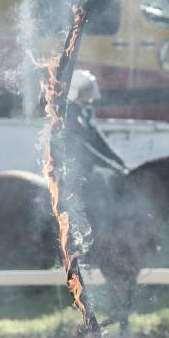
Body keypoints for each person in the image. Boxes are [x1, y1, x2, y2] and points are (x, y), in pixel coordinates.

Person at [60, 69, 127, 227]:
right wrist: (110, 165)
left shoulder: (85, 112)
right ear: (75, 91)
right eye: (86, 91)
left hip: (86, 169)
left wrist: (119, 161)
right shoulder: (68, 114)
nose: (90, 96)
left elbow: (99, 142)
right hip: (70, 170)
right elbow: (83, 148)